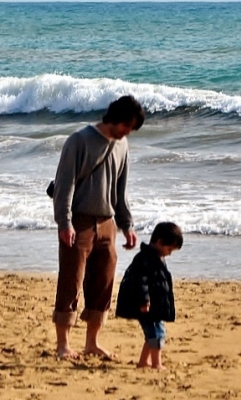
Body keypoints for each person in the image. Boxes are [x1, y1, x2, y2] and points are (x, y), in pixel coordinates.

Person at [51, 95, 145, 360]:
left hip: (107, 223)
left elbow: (120, 191)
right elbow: (64, 186)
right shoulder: (78, 141)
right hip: (78, 223)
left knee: (103, 284)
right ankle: (63, 345)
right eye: (126, 125)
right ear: (114, 118)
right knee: (71, 282)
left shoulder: (122, 145)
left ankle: (92, 342)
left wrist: (127, 225)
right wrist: (64, 222)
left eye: (132, 128)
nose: (128, 132)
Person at [115, 221, 183, 369]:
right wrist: (144, 300)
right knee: (156, 333)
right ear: (159, 242)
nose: (169, 253)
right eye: (169, 249)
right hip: (146, 305)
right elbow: (141, 281)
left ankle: (143, 362)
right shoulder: (145, 259)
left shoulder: (157, 258)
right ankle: (156, 363)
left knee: (153, 333)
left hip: (156, 304)